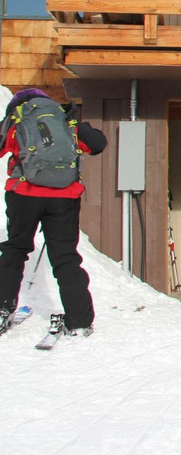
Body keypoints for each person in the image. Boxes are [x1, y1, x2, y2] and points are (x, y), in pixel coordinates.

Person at [0, 88, 107, 336]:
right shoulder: (65, 120)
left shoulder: (17, 118)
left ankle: (3, 310)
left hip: (24, 194)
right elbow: (98, 144)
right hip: (64, 197)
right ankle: (79, 321)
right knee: (66, 257)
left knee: (15, 250)